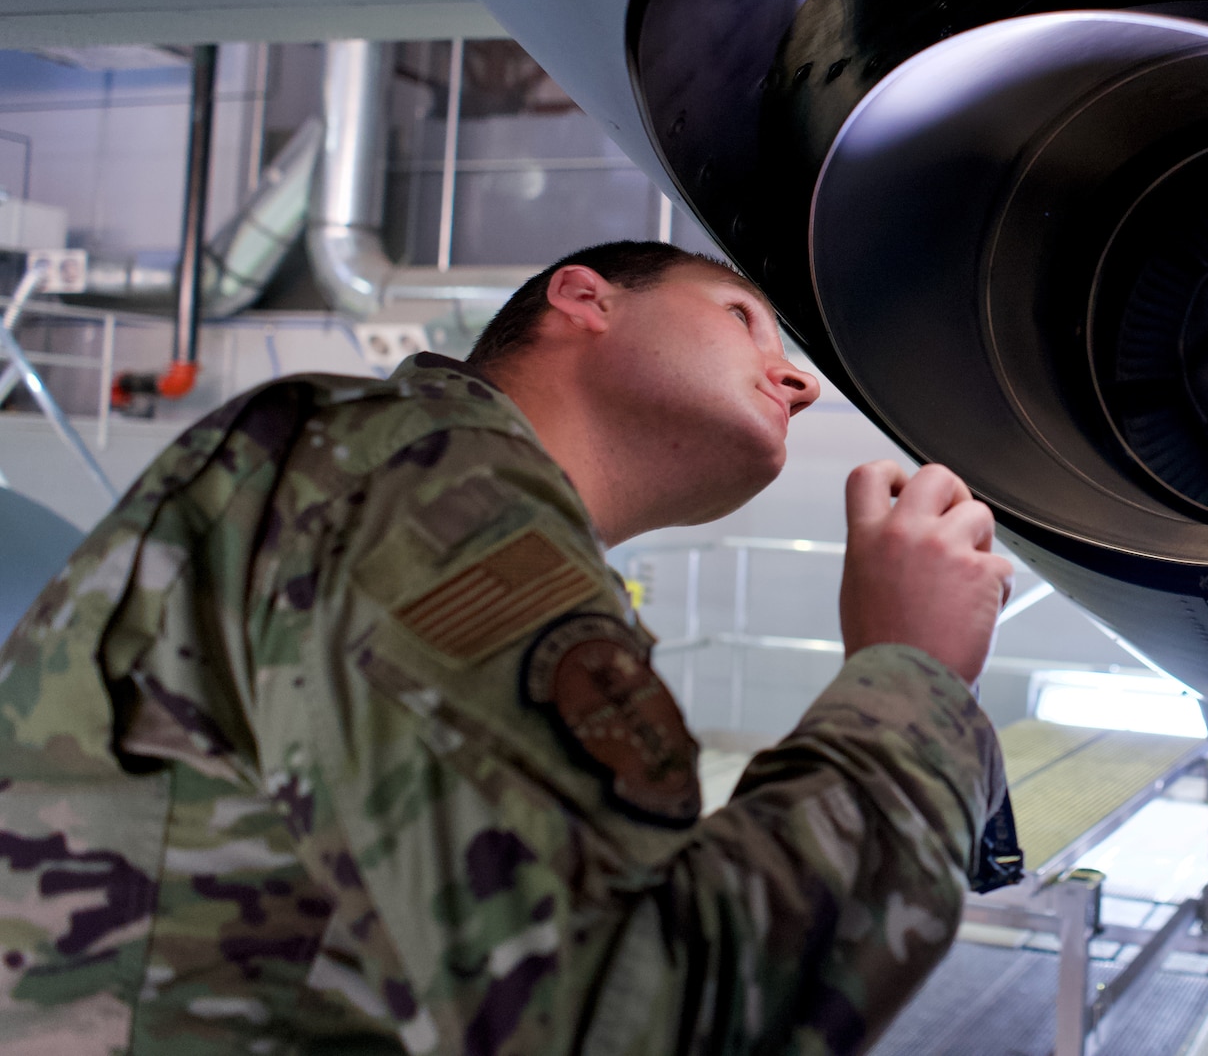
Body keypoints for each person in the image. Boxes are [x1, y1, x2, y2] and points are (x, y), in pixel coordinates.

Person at [0, 240, 1016, 1055]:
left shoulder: (419, 493)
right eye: (741, 316)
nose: (797, 380)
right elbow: (626, 1013)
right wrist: (909, 672)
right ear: (583, 298)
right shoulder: (408, 469)